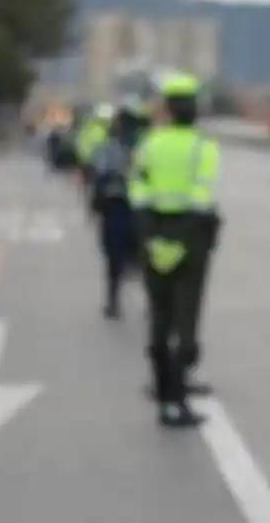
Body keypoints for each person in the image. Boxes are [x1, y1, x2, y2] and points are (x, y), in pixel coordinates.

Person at [130, 74, 221, 428]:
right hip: (191, 240)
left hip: (153, 235)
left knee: (158, 316)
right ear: (196, 109)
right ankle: (178, 400)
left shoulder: (149, 143)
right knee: (186, 319)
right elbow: (204, 199)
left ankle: (161, 393)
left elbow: (137, 190)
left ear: (166, 108)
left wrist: (151, 232)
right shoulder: (204, 147)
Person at [89, 105, 149, 319]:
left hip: (120, 207)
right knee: (139, 258)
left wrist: (95, 205)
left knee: (117, 257)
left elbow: (99, 177)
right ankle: (120, 302)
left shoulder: (110, 148)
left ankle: (114, 302)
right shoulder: (144, 146)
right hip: (131, 208)